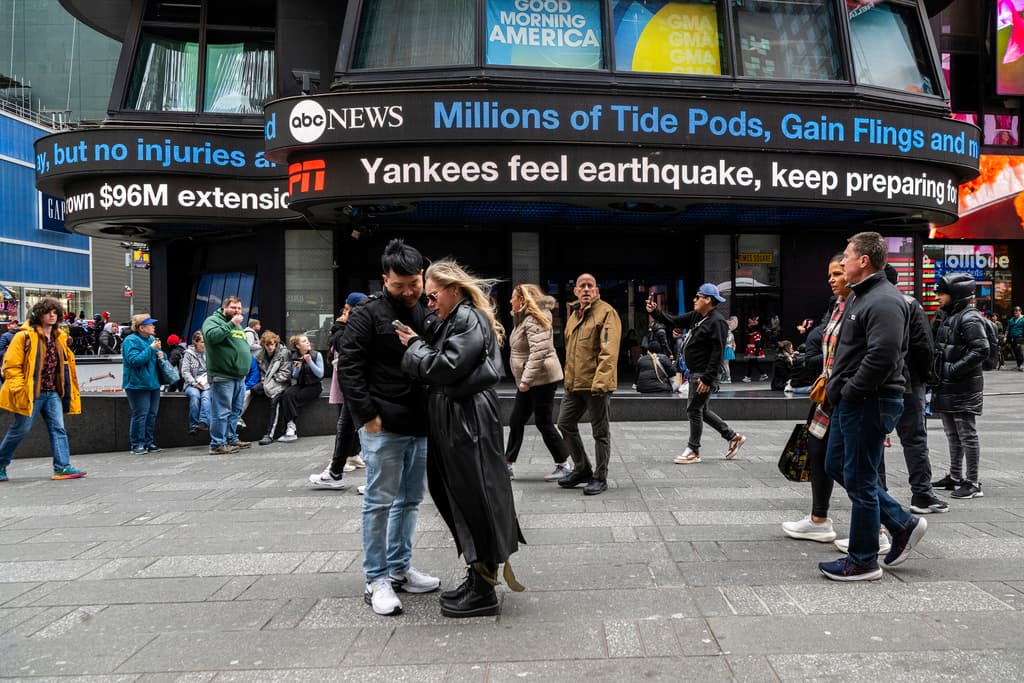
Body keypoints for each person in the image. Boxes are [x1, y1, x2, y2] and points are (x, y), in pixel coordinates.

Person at [398, 259, 524, 618]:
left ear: (454, 289)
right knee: (465, 499)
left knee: (475, 499)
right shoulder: (457, 318)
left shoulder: (467, 318)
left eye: (433, 295)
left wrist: (414, 347)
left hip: (466, 421)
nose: (429, 302)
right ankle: (478, 577)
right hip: (458, 418)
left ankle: (483, 587)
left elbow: (444, 368)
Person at [336, 238, 439, 617]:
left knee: (410, 500)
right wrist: (366, 416)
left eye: (415, 283)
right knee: (379, 502)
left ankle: (400, 567)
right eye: (401, 285)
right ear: (385, 279)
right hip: (383, 423)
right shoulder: (366, 314)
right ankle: (376, 578)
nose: (410, 291)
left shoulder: (428, 311)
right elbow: (349, 368)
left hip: (422, 421)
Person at [819, 232, 927, 581]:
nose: (843, 262)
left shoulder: (883, 300)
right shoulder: (861, 297)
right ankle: (901, 522)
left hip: (869, 401)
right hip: (853, 401)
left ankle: (863, 560)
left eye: (848, 256)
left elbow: (883, 355)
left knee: (862, 480)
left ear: (864, 260)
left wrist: (850, 391)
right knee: (837, 464)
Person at [647, 283, 746, 465]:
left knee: (694, 409)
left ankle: (693, 450)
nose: (694, 300)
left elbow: (718, 352)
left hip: (703, 374)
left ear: (708, 299)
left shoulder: (717, 321)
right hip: (696, 372)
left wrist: (708, 378)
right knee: (702, 410)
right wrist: (655, 312)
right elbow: (674, 321)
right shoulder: (697, 316)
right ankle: (733, 437)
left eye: (698, 297)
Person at [883, 264, 948, 514]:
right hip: (909, 383)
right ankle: (921, 494)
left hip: (878, 384)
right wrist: (926, 378)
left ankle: (880, 494)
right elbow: (924, 346)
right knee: (915, 439)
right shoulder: (910, 304)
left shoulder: (862, 301)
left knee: (875, 442)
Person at [0, 298, 86, 482]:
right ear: (39, 314)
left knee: (58, 428)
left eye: (55, 312)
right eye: (48, 312)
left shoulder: (59, 337)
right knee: (20, 429)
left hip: (52, 391)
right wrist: (19, 388)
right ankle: (1, 463)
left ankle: (62, 467)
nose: (52, 315)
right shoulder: (23, 336)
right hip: (31, 392)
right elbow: (10, 366)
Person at [556, 273, 622, 496]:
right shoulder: (575, 314)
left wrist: (601, 382)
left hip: (596, 385)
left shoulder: (606, 313)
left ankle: (600, 477)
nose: (585, 289)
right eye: (581, 286)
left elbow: (609, 350)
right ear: (575, 291)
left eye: (590, 286)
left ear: (596, 290)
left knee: (600, 432)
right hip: (574, 384)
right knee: (564, 423)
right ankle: (582, 468)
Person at [504, 283, 573, 481]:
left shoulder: (534, 319)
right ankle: (507, 464)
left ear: (523, 300)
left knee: (543, 423)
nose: (510, 301)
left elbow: (539, 351)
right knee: (516, 420)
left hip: (540, 379)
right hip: (530, 379)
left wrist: (525, 380)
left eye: (513, 297)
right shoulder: (524, 318)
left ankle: (565, 464)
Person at [930, 273, 988, 500]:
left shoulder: (969, 318)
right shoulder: (947, 315)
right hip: (948, 385)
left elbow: (981, 349)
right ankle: (955, 476)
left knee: (966, 434)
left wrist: (953, 369)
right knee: (952, 433)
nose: (937, 297)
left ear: (956, 295)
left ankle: (972, 482)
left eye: (942, 293)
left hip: (963, 385)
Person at [310, 292, 369, 488]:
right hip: (352, 384)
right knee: (345, 427)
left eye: (347, 308)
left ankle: (371, 479)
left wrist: (339, 326)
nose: (344, 312)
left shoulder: (358, 324)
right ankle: (336, 471)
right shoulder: (358, 322)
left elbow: (345, 345)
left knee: (365, 430)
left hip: (359, 384)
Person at [201, 296, 252, 455]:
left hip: (238, 377)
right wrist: (231, 324)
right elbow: (212, 337)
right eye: (233, 307)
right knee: (221, 411)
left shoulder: (236, 325)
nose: (237, 311)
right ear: (225, 307)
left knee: (235, 411)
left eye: (239, 308)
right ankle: (217, 444)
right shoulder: (213, 321)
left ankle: (231, 438)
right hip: (223, 376)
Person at [121, 314, 164, 455]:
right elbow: (134, 361)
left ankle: (148, 442)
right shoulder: (130, 340)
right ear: (141, 328)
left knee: (151, 414)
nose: (153, 326)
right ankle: (137, 444)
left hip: (153, 383)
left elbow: (159, 358)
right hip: (137, 384)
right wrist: (151, 349)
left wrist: (162, 354)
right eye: (150, 324)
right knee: (140, 414)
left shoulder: (151, 339)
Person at [275, 334, 323, 442]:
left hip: (314, 386)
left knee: (292, 399)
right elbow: (295, 376)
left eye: (307, 341)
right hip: (301, 384)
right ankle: (291, 425)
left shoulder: (316, 355)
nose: (308, 342)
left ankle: (290, 427)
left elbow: (320, 374)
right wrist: (297, 368)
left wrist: (310, 362)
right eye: (304, 341)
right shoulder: (295, 356)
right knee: (287, 394)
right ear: (298, 346)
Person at [253, 330, 293, 445]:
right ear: (263, 344)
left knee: (274, 401)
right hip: (266, 382)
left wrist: (271, 381)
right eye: (267, 344)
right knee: (252, 391)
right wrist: (265, 381)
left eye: (272, 344)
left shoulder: (284, 353)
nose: (270, 347)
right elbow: (260, 372)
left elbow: (285, 374)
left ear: (276, 343)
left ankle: (269, 434)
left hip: (280, 384)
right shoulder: (260, 355)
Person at [181, 331, 211, 435]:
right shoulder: (188, 354)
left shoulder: (209, 353)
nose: (205, 344)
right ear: (195, 342)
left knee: (206, 397)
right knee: (195, 395)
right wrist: (194, 383)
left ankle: (203, 423)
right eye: (202, 342)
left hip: (207, 383)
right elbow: (185, 371)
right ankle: (193, 426)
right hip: (192, 383)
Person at [741, 316, 767, 382]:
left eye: (750, 326)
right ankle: (762, 374)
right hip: (751, 350)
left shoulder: (757, 334)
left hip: (754, 350)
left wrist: (757, 351)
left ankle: (748, 376)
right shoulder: (751, 334)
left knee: (751, 363)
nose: (749, 327)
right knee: (754, 363)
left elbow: (758, 343)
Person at [1007, 305, 1024, 371]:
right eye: (1014, 311)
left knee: (1020, 351)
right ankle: (1018, 365)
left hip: (1020, 337)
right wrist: (1005, 337)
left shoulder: (1023, 319)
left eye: (1017, 311)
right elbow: (1008, 329)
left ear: (1020, 311)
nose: (1015, 312)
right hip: (1013, 338)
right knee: (1015, 351)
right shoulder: (1012, 319)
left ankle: (1022, 365)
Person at [721, 317, 736, 384]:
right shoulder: (727, 333)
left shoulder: (729, 334)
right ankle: (725, 377)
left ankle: (728, 378)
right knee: (723, 364)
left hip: (727, 349)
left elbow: (728, 341)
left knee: (726, 364)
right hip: (725, 349)